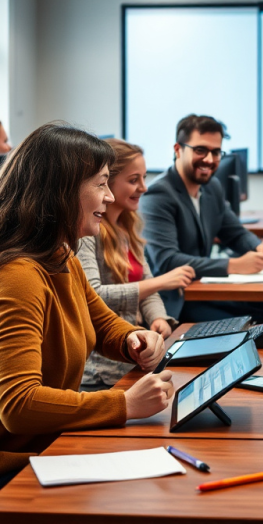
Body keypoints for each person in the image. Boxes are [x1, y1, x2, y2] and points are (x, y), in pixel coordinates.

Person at [0, 124, 173, 523]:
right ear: (62, 190)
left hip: (31, 450)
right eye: (101, 184)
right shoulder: (15, 275)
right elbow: (19, 404)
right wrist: (124, 404)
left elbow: (101, 323)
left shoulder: (58, 254)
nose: (109, 196)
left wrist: (132, 339)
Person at [78, 138, 194, 389]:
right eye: (134, 180)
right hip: (101, 371)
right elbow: (93, 296)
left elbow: (147, 289)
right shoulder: (85, 235)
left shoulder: (128, 228)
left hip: (133, 359)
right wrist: (160, 282)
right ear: (106, 184)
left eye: (143, 178)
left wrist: (159, 318)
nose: (143, 187)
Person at [140, 114, 263, 323]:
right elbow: (167, 261)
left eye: (216, 152)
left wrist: (258, 248)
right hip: (174, 301)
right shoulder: (158, 195)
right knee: (249, 323)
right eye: (200, 150)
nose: (210, 160)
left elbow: (235, 232)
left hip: (202, 289)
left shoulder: (212, 187)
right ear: (178, 150)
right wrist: (234, 265)